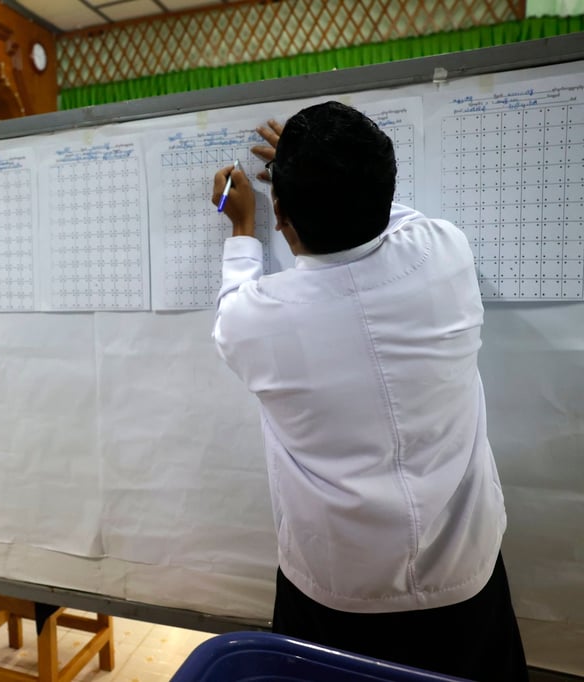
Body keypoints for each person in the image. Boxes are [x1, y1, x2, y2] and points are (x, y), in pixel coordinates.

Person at [210, 101, 527, 681]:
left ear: (279, 215)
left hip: (334, 595)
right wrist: (325, 173)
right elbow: (385, 216)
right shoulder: (445, 250)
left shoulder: (254, 322)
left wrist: (240, 229)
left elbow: (235, 297)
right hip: (465, 581)